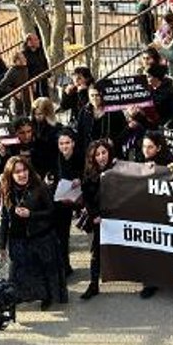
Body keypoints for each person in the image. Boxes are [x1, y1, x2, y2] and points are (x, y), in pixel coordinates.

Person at [0, 156, 66, 310]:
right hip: (18, 239)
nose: (22, 174)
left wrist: (31, 215)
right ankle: (17, 298)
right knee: (17, 273)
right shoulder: (6, 191)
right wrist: (1, 245)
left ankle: (46, 297)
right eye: (17, 172)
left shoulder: (40, 187)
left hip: (40, 237)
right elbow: (4, 219)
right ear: (10, 175)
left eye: (24, 170)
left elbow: (51, 212)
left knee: (43, 271)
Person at [79, 140, 114, 301]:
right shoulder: (89, 173)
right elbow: (87, 198)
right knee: (97, 251)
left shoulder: (117, 168)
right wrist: (94, 215)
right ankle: (94, 284)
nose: (101, 157)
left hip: (116, 216)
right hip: (100, 219)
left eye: (104, 153)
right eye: (97, 154)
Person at [51, 128, 84, 277]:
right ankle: (62, 266)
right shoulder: (55, 158)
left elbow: (88, 174)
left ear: (73, 143)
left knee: (63, 235)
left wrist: (80, 179)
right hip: (57, 200)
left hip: (74, 199)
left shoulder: (80, 157)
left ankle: (65, 266)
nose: (64, 146)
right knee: (59, 235)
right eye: (61, 143)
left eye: (67, 143)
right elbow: (51, 175)